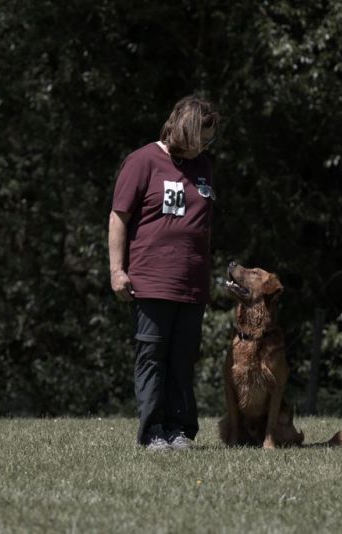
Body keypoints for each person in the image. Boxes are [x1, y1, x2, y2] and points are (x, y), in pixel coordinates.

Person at [108, 95, 220, 450]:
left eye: (209, 139)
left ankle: (179, 430)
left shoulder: (204, 167)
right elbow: (118, 217)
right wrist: (117, 270)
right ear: (184, 130)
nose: (206, 145)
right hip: (152, 281)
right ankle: (153, 431)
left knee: (182, 360)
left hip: (192, 284)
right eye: (202, 137)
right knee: (152, 357)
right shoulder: (142, 161)